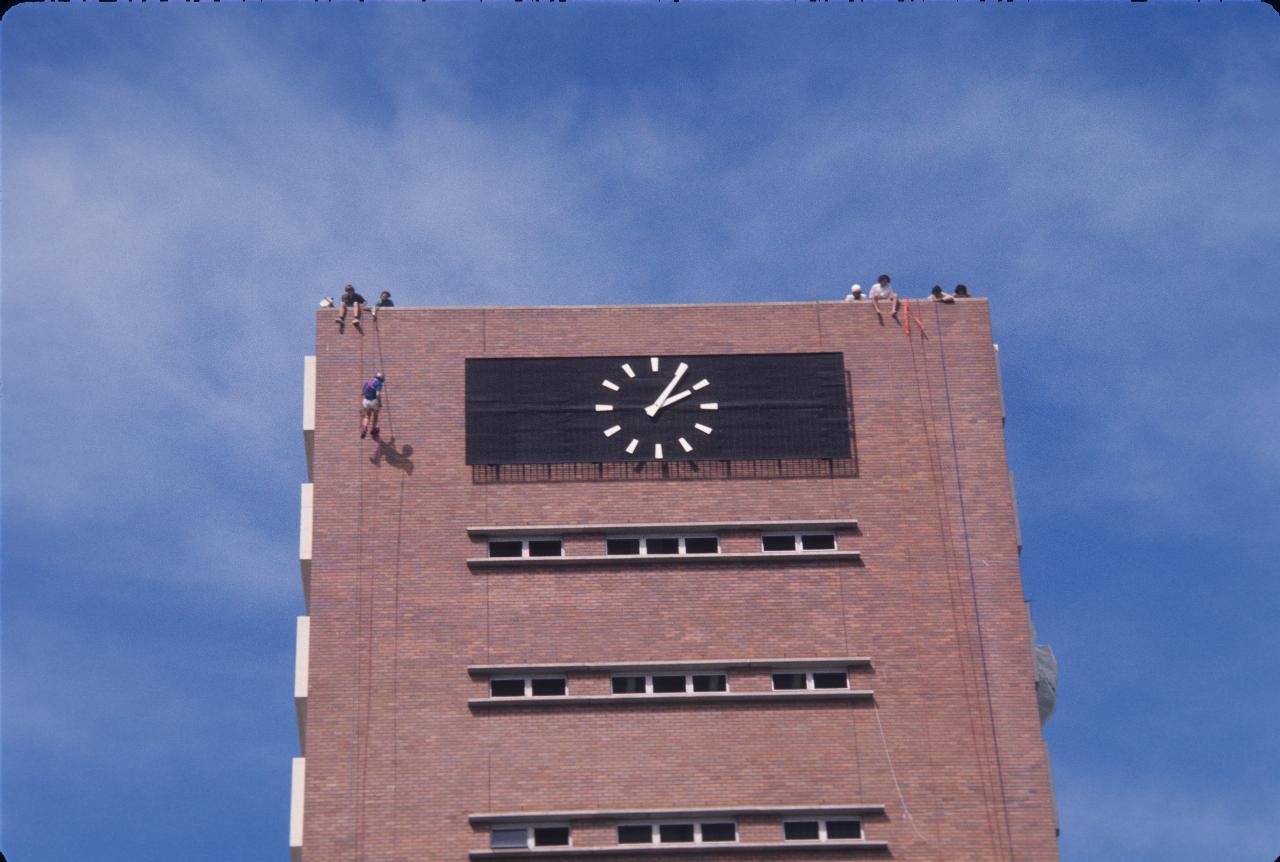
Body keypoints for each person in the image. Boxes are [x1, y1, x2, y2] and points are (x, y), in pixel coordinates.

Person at [360, 371, 385, 439]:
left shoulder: (367, 382)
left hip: (366, 401)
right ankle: (373, 429)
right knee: (375, 415)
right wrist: (380, 402)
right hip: (373, 401)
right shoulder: (378, 383)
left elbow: (362, 393)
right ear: (380, 378)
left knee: (367, 416)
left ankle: (364, 429)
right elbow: (378, 394)